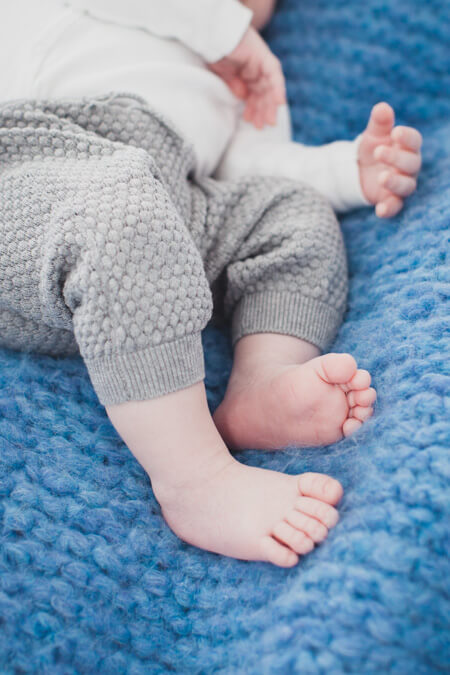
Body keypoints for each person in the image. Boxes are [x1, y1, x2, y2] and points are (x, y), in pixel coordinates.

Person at [0, 0, 422, 566]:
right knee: (121, 203)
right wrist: (221, 30)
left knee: (290, 210)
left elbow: (260, 163)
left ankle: (262, 379)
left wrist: (351, 170)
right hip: (31, 168)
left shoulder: (244, 73)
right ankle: (195, 478)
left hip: (162, 215)